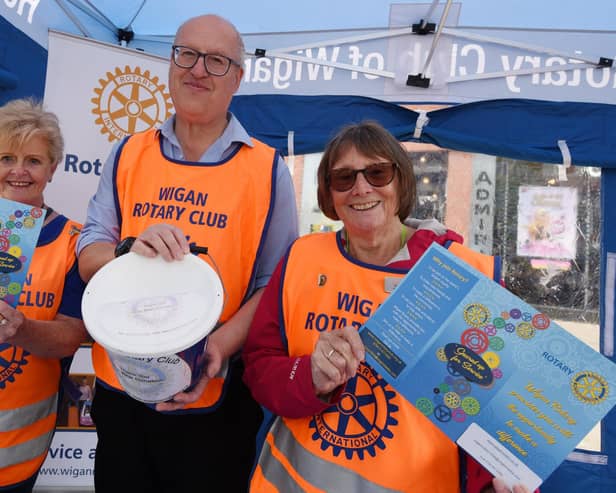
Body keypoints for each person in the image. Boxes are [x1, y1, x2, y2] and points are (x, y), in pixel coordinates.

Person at [242, 121, 531, 493]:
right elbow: (259, 365)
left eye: (378, 172)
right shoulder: (301, 257)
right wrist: (309, 376)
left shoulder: (467, 274)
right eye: (344, 178)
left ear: (401, 180)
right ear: (329, 194)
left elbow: (506, 408)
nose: (362, 188)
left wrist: (496, 487)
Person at [76, 14, 298, 493]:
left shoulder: (267, 169)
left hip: (217, 400)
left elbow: (274, 286)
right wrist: (126, 251)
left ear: (237, 78)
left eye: (217, 61)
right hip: (123, 388)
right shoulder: (127, 153)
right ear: (171, 62)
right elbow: (88, 252)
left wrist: (217, 347)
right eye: (187, 54)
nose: (198, 69)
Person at [0, 98, 87, 492]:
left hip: (18, 450)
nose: (18, 171)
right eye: (6, 158)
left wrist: (20, 329)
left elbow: (70, 336)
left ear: (53, 168)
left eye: (33, 160)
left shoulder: (72, 242)